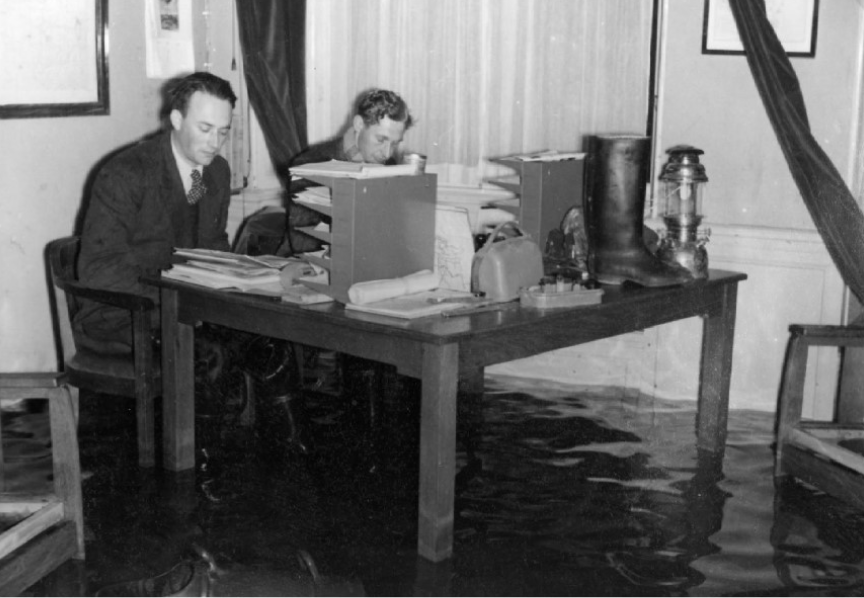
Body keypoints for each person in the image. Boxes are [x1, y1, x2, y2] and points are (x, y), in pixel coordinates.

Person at [76, 71, 236, 353]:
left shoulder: (217, 173)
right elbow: (100, 270)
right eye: (205, 128)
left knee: (266, 341)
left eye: (223, 131)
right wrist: (182, 299)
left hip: (187, 309)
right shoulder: (127, 173)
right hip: (126, 314)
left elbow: (214, 245)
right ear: (177, 120)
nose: (215, 142)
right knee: (213, 356)